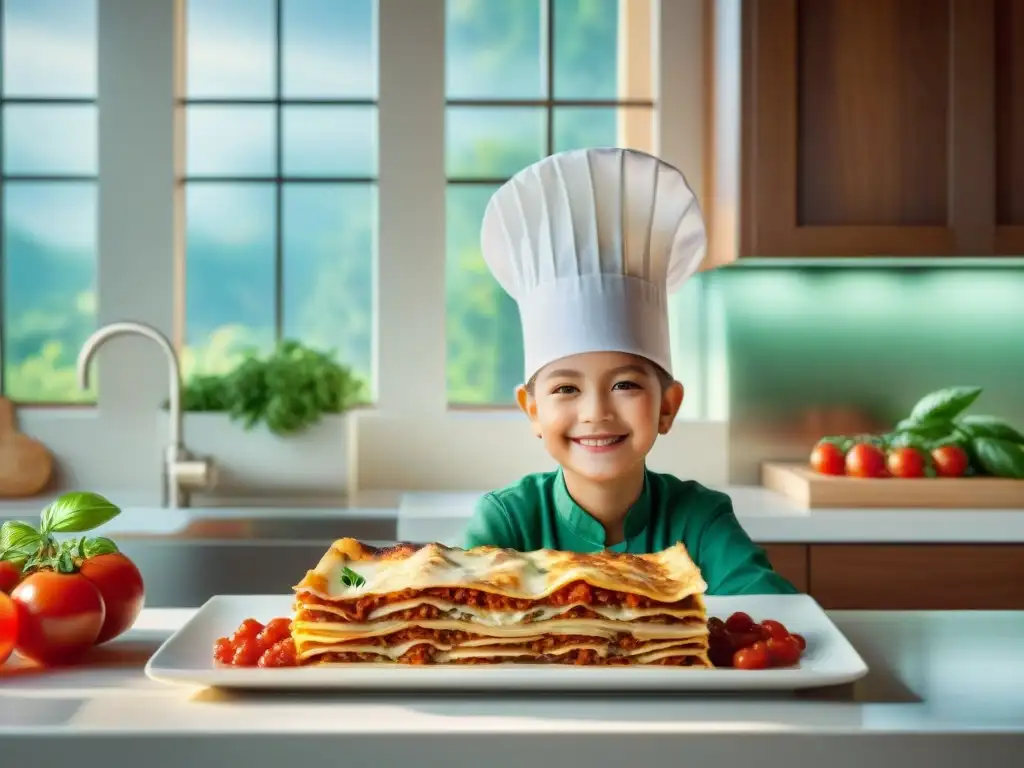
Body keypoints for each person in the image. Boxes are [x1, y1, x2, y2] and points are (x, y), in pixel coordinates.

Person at [460, 147, 797, 596]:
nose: (595, 412)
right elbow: (451, 612)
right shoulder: (509, 521)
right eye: (565, 388)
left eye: (624, 384)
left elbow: (773, 614)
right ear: (533, 410)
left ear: (668, 405)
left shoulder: (700, 519)